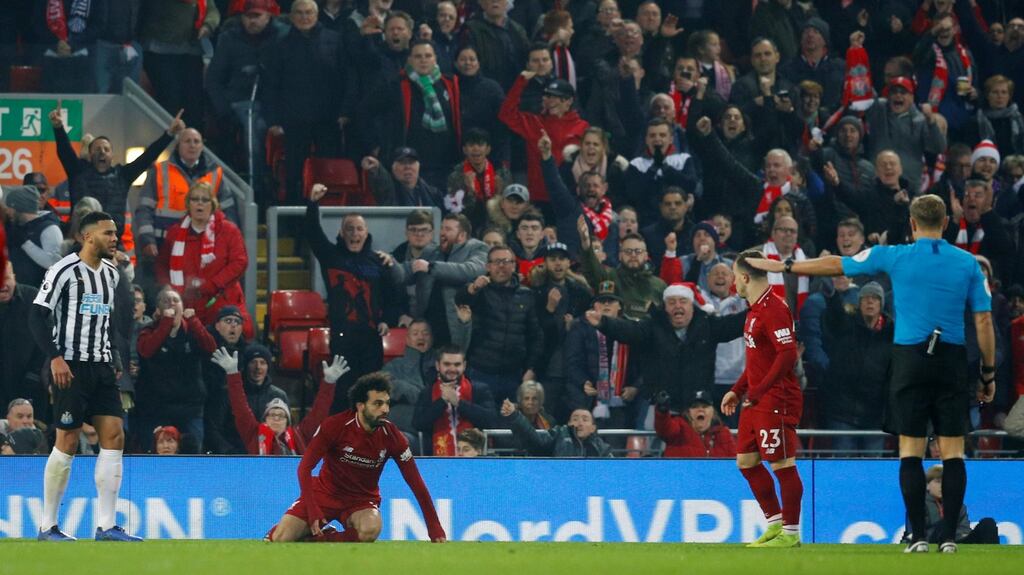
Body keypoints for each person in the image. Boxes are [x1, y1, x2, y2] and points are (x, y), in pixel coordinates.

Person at [745, 194, 996, 553]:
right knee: (952, 452)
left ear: (912, 224)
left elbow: (836, 264)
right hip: (951, 360)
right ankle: (951, 540)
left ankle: (920, 537)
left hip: (909, 359)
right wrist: (988, 374)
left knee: (910, 451)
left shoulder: (893, 255)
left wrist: (782, 267)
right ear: (944, 224)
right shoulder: (968, 263)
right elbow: (984, 321)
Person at [28, 211, 139, 542]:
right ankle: (48, 525)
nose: (114, 238)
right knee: (68, 440)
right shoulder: (63, 271)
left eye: (115, 233)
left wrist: (114, 357)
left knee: (114, 435)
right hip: (70, 367)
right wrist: (55, 358)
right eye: (108, 233)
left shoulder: (111, 274)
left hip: (102, 366)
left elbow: (109, 322)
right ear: (86, 237)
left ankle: (106, 525)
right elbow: (36, 316)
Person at [265, 372, 446, 543]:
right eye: (377, 404)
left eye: (387, 403)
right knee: (282, 537)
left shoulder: (393, 436)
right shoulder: (335, 426)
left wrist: (434, 526)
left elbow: (416, 482)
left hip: (361, 501)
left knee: (371, 529)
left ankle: (321, 539)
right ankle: (297, 531)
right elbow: (304, 467)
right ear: (361, 405)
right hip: (325, 493)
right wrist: (313, 510)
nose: (385, 409)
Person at [721, 250, 805, 548]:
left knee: (782, 463)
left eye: (734, 275)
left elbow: (787, 355)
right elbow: (759, 360)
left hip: (776, 398)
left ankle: (791, 534)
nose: (733, 281)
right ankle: (775, 523)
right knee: (746, 460)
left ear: (745, 277)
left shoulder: (773, 308)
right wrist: (738, 388)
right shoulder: (754, 309)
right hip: (757, 398)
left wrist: (758, 390)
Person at [585, 282, 746, 413]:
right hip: (658, 406)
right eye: (672, 302)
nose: (677, 306)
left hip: (697, 406)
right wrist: (604, 323)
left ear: (691, 305)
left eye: (683, 301)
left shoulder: (707, 324)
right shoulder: (653, 324)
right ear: (665, 306)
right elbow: (630, 331)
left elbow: (734, 325)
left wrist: (763, 309)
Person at [305, 185, 397, 411]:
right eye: (349, 229)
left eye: (359, 229)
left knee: (371, 391)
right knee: (342, 391)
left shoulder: (379, 261)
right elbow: (312, 232)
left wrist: (388, 319)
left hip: (371, 337)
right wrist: (312, 203)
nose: (355, 234)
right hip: (342, 337)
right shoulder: (330, 256)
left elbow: (393, 296)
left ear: (366, 233)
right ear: (341, 233)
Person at [50, 100, 184, 249]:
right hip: (83, 244)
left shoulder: (122, 176)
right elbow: (65, 152)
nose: (102, 152)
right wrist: (58, 127)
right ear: (89, 154)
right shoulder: (78, 172)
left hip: (111, 245)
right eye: (97, 149)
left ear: (112, 155)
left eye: (106, 149)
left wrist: (169, 134)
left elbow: (147, 157)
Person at [155, 182, 252, 336]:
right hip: (186, 303)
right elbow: (162, 265)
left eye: (205, 200)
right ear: (188, 204)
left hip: (222, 301)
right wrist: (168, 288)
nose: (200, 203)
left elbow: (239, 262)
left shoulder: (228, 230)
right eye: (195, 199)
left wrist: (213, 284)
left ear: (213, 205)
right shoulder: (175, 233)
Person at [135, 127, 241, 265]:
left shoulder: (215, 173)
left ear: (202, 145)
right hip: (165, 246)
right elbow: (144, 209)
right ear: (178, 145)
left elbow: (229, 211)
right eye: (187, 141)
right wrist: (147, 240)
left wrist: (227, 243)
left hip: (203, 248)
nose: (192, 145)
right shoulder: (160, 171)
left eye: (196, 141)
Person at [213, 347, 348, 455]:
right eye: (272, 415)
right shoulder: (253, 434)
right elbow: (240, 407)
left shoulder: (300, 435)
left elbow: (319, 412)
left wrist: (329, 382)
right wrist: (232, 374)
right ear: (264, 420)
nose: (276, 418)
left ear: (288, 422)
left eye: (281, 415)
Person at [454, 245, 544, 403]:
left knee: (510, 423)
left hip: (514, 375)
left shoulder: (527, 295)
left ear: (514, 265)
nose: (501, 266)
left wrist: (531, 368)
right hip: (480, 371)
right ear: (487, 266)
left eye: (506, 261)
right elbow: (461, 299)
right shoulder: (480, 290)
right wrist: (474, 288)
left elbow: (535, 336)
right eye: (496, 262)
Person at [135, 287, 218, 453]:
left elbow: (211, 348)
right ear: (158, 310)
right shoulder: (148, 330)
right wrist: (165, 323)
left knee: (193, 455)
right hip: (158, 407)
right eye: (166, 301)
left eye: (176, 300)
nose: (172, 304)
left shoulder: (193, 329)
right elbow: (146, 350)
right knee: (158, 456)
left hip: (191, 407)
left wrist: (194, 321)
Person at [819, 281, 893, 456]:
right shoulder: (846, 325)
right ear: (859, 303)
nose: (870, 302)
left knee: (873, 470)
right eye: (866, 298)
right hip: (842, 411)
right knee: (843, 467)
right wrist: (832, 296)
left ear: (881, 304)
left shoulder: (892, 333)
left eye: (875, 298)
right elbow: (834, 315)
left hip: (875, 414)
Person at [391, 214, 488, 347]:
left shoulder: (477, 248)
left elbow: (469, 270)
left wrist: (431, 267)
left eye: (448, 229)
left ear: (462, 235)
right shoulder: (432, 251)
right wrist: (390, 262)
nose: (442, 233)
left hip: (459, 326)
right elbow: (405, 274)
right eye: (442, 228)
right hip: (429, 328)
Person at [413, 345, 497, 455]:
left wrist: (459, 403)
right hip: (437, 460)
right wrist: (442, 401)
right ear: (438, 366)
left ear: (464, 366)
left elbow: (490, 420)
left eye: (457, 365)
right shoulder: (427, 392)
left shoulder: (480, 389)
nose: (452, 369)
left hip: (474, 460)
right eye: (447, 364)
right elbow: (418, 424)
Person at [905, 464, 1001, 545]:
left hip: (956, 540)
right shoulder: (918, 504)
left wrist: (953, 535)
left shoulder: (956, 503)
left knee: (988, 523)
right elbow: (914, 533)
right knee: (944, 523)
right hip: (932, 542)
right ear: (927, 485)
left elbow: (964, 530)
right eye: (938, 482)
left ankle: (995, 559)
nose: (942, 486)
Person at [0, 263, 47, 414]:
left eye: (6, 278)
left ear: (14, 277)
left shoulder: (34, 298)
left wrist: (34, 374)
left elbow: (47, 339)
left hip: (31, 382)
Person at [382, 319, 436, 434]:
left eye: (425, 333)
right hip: (408, 427)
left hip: (439, 424)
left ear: (432, 338)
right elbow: (382, 387)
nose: (421, 337)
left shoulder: (441, 362)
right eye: (415, 334)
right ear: (407, 339)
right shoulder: (395, 365)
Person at [4, 185, 62, 288]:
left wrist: (25, 243)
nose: (8, 212)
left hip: (41, 294)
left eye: (10, 208)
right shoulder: (16, 228)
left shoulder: (49, 229)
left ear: (19, 207)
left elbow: (54, 263)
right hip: (18, 293)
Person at [501, 403, 612, 457]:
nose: (579, 423)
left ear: (593, 428)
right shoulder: (559, 434)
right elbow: (534, 439)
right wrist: (516, 417)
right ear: (569, 423)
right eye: (575, 419)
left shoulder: (602, 448)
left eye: (585, 419)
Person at [653, 390, 737, 458]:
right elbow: (664, 428)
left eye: (705, 406)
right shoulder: (679, 427)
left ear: (713, 412)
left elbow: (734, 463)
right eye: (695, 407)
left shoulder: (723, 433)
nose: (700, 410)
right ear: (688, 412)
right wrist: (662, 410)